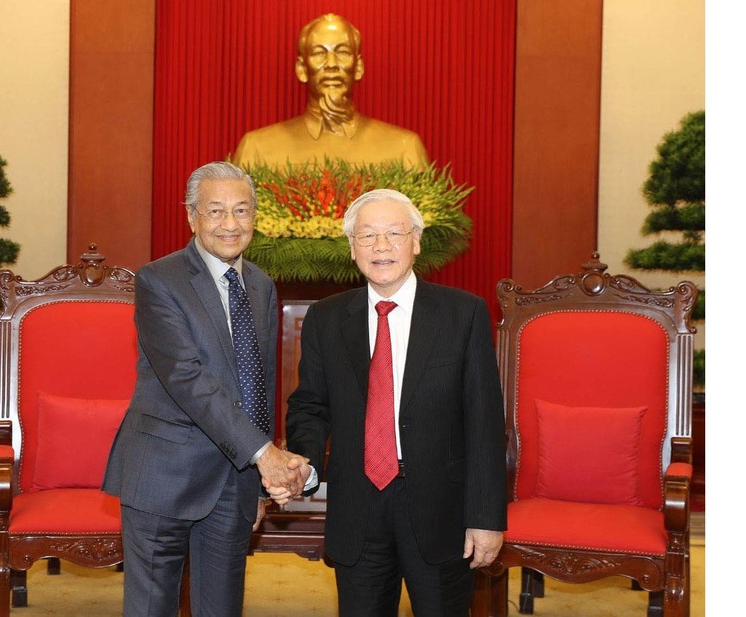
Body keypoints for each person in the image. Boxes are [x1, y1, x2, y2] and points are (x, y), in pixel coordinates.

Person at [277, 189, 507, 616]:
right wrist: (304, 463)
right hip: (358, 510)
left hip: (443, 513)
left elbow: (485, 422)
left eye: (394, 234)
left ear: (416, 241)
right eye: (367, 236)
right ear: (351, 248)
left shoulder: (463, 314)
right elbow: (311, 405)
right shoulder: (326, 318)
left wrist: (486, 515)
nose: (381, 247)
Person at [103, 161, 309, 617]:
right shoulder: (159, 280)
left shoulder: (260, 284)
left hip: (233, 482)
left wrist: (257, 483)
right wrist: (265, 455)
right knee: (152, 608)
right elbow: (186, 377)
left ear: (255, 217)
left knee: (222, 608)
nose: (230, 224)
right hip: (164, 474)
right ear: (192, 217)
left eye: (241, 211)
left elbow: (260, 383)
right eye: (216, 211)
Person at [232, 13, 429, 170]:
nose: (332, 64)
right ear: (301, 69)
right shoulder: (256, 149)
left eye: (342, 52)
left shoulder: (404, 148)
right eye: (319, 53)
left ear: (358, 67)